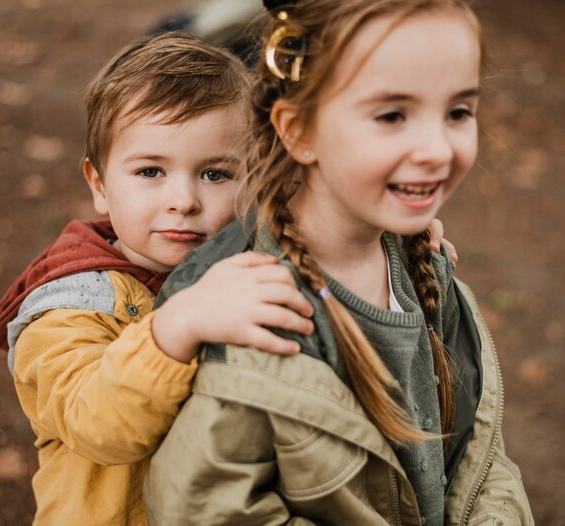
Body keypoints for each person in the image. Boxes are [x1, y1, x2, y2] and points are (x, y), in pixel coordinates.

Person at [144, 1, 534, 524]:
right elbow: (207, 508)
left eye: (458, 112)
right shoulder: (247, 308)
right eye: (392, 115)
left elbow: (481, 458)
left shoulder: (428, 264)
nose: (437, 149)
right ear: (299, 130)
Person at [0, 33, 318, 525]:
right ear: (99, 184)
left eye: (216, 175)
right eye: (151, 171)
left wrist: (389, 240)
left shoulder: (242, 255)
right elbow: (98, 423)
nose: (183, 199)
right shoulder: (65, 310)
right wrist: (172, 331)